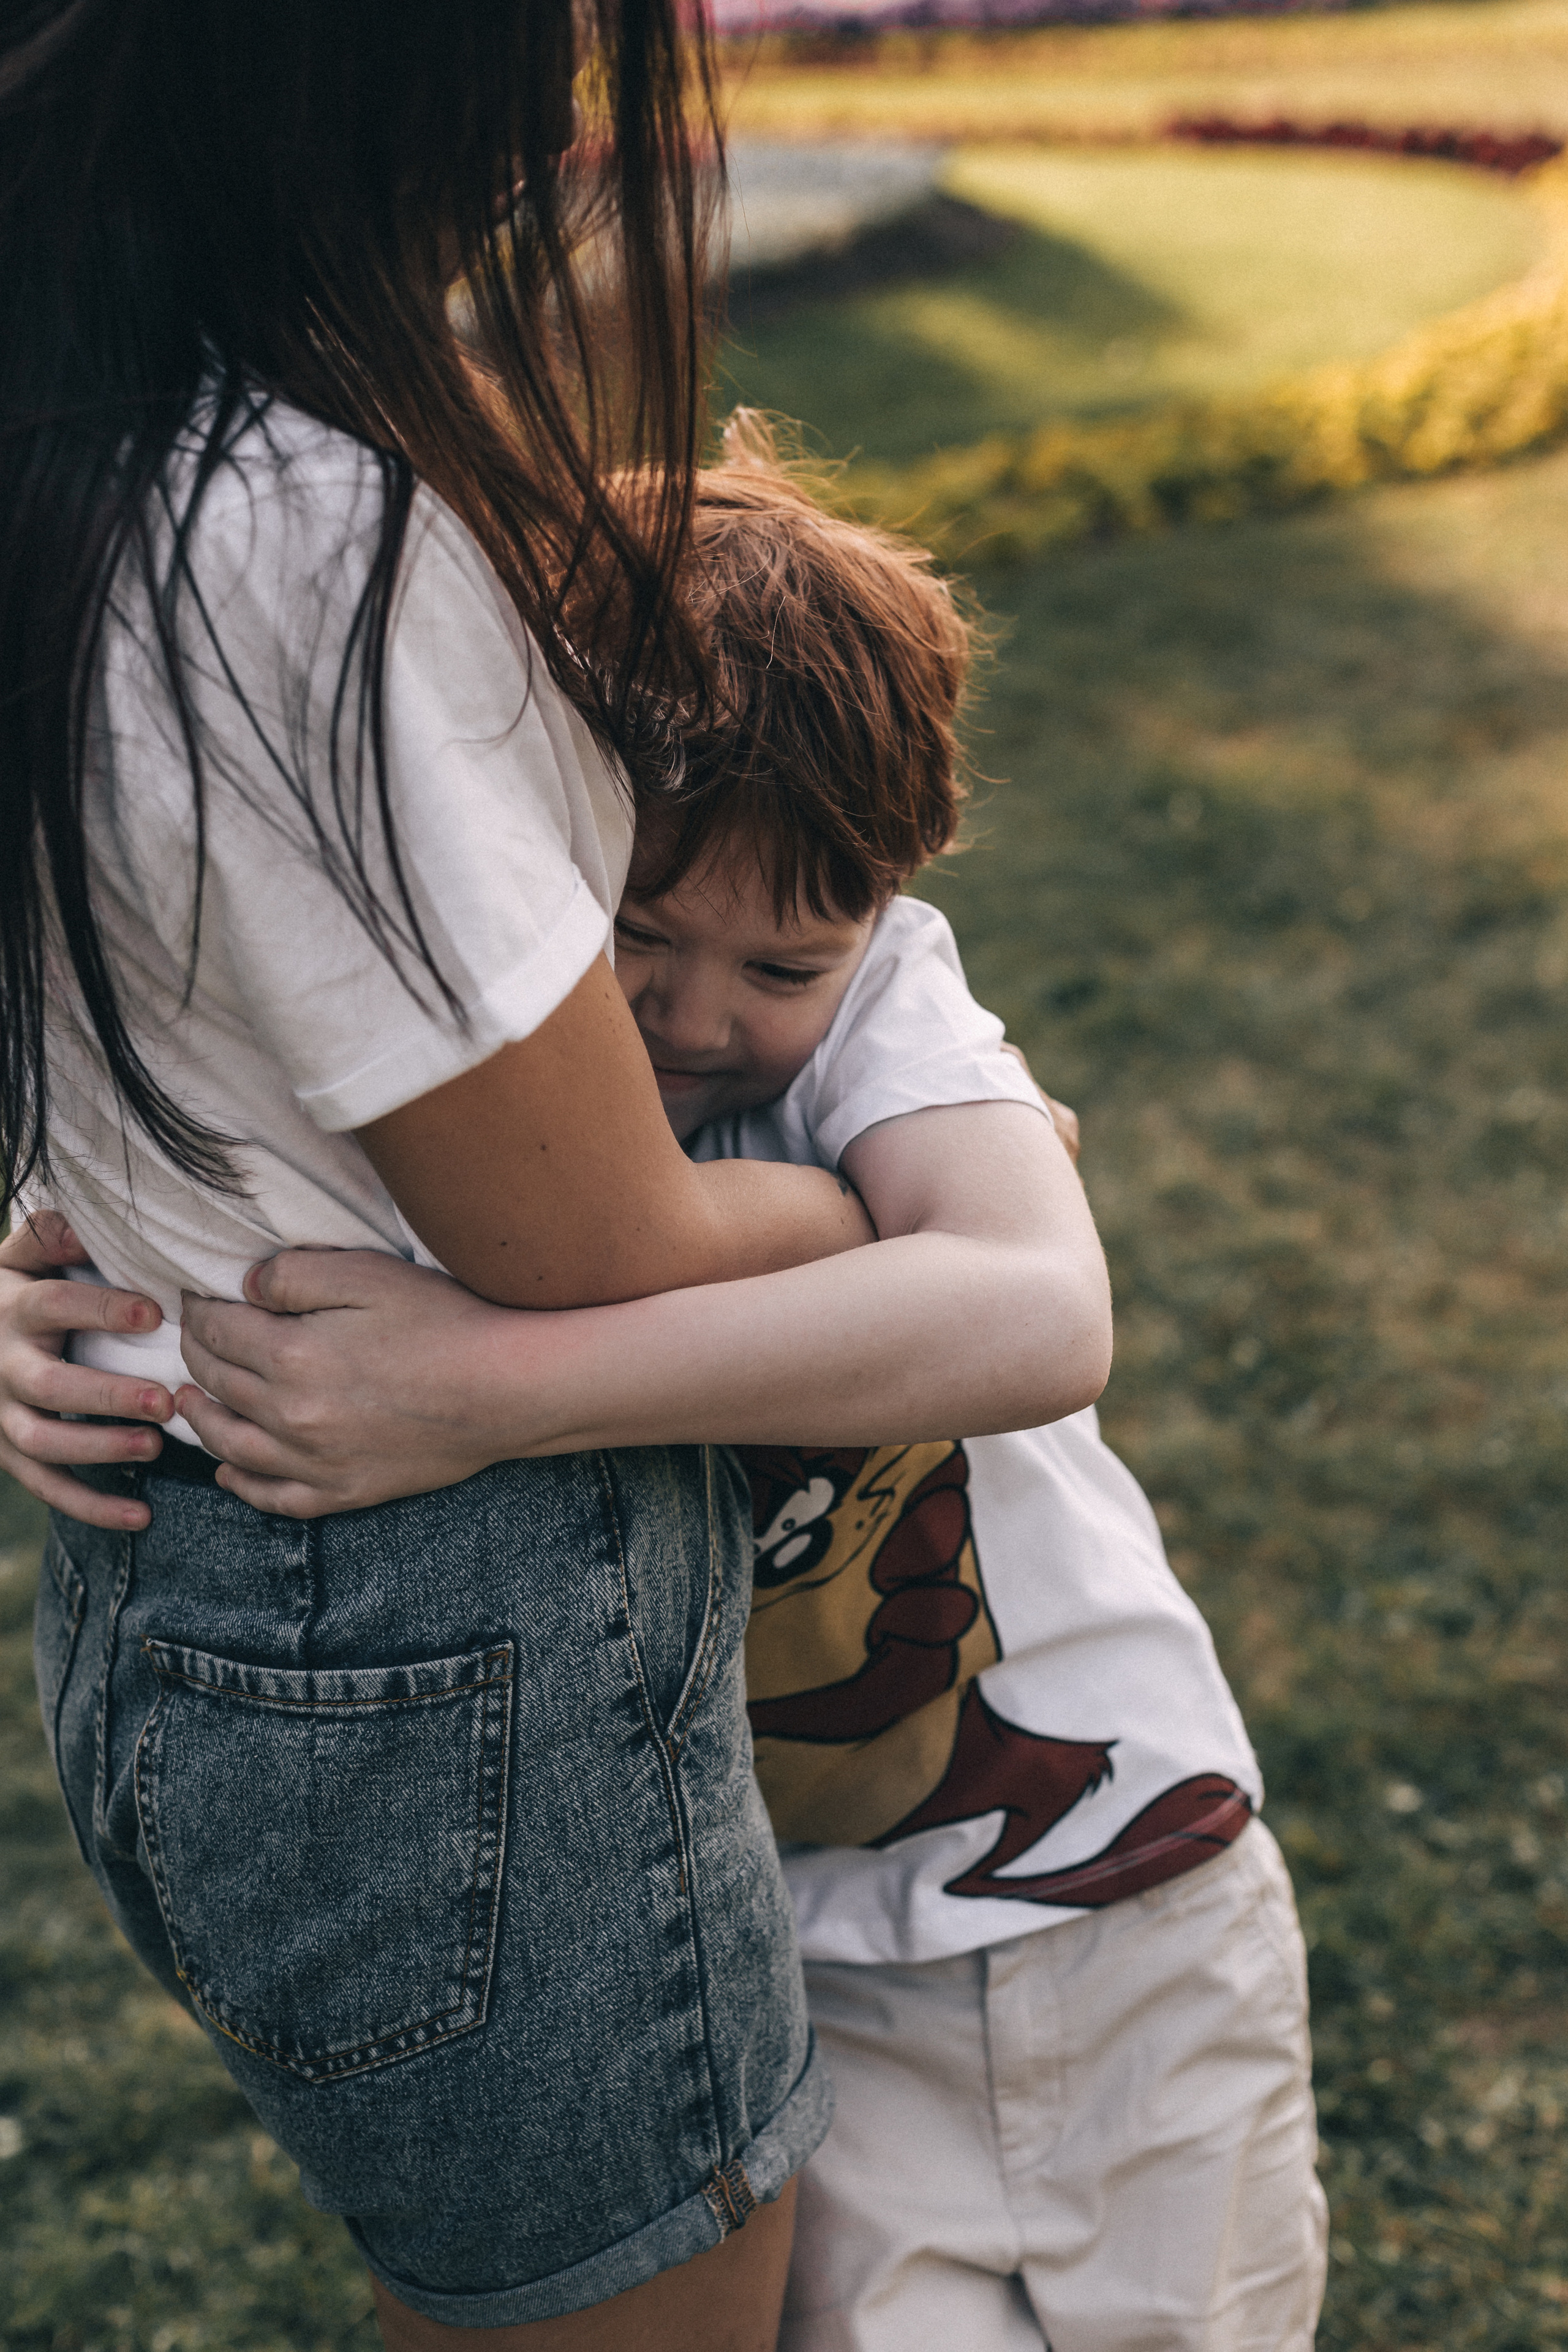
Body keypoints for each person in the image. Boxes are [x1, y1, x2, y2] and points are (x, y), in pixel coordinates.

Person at [0, 12, 1110, 2351]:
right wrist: (832, 1227)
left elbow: (141, 943)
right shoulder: (299, 523)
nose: (567, 112)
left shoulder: (72, 414)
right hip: (429, 1634)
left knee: (515, 2282)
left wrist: (81, 1228)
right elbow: (586, 1252)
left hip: (192, 1604)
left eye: (782, 961)